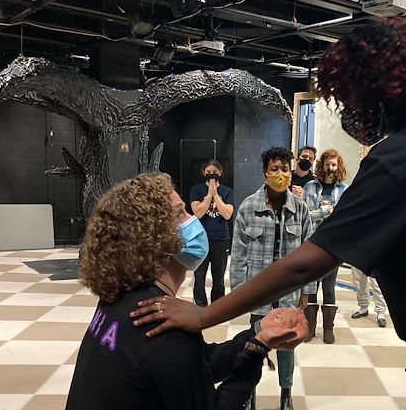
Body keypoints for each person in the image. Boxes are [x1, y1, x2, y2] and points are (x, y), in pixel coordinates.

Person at [131, 18, 406, 410]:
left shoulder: (403, 156)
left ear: (384, 90)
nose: (349, 111)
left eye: (352, 96)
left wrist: (205, 314)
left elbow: (309, 262)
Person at [66, 173, 307, 410]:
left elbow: (196, 363)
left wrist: (256, 334)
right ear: (155, 239)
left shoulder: (120, 300)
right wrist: (256, 352)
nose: (194, 220)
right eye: (181, 213)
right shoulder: (161, 329)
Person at [230, 147, 316, 410]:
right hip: (258, 292)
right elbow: (238, 254)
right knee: (255, 345)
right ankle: (249, 395)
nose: (281, 174)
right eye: (274, 169)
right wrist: (239, 293)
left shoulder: (300, 209)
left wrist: (308, 291)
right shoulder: (248, 207)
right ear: (265, 173)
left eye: (285, 169)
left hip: (288, 293)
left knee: (287, 345)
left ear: (291, 172)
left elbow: (310, 254)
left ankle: (286, 394)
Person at [301, 149, 349, 343]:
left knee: (329, 288)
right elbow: (304, 215)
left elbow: (345, 218)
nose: (330, 168)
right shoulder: (309, 187)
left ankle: (328, 328)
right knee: (311, 287)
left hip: (334, 246)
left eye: (334, 165)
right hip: (312, 243)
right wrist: (323, 211)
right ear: (321, 165)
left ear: (339, 167)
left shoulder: (345, 190)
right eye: (328, 164)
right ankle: (309, 328)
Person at [189, 160, 234, 307]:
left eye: (215, 172)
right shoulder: (196, 189)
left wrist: (216, 196)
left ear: (220, 173)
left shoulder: (227, 191)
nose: (212, 175)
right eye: (208, 173)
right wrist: (209, 195)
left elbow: (227, 214)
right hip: (200, 239)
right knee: (199, 276)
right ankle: (200, 306)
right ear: (203, 173)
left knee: (219, 277)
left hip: (221, 239)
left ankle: (217, 306)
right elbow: (198, 213)